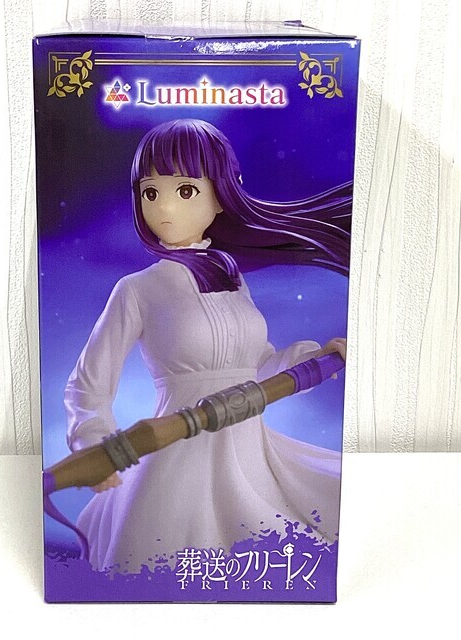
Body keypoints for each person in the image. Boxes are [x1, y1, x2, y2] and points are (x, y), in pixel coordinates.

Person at [65, 119, 350, 573]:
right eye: (150, 192)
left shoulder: (232, 280)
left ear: (220, 196)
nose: (163, 208)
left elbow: (255, 366)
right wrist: (97, 448)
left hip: (248, 449)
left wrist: (316, 360)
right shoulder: (137, 289)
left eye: (185, 190)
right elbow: (87, 385)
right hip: (178, 447)